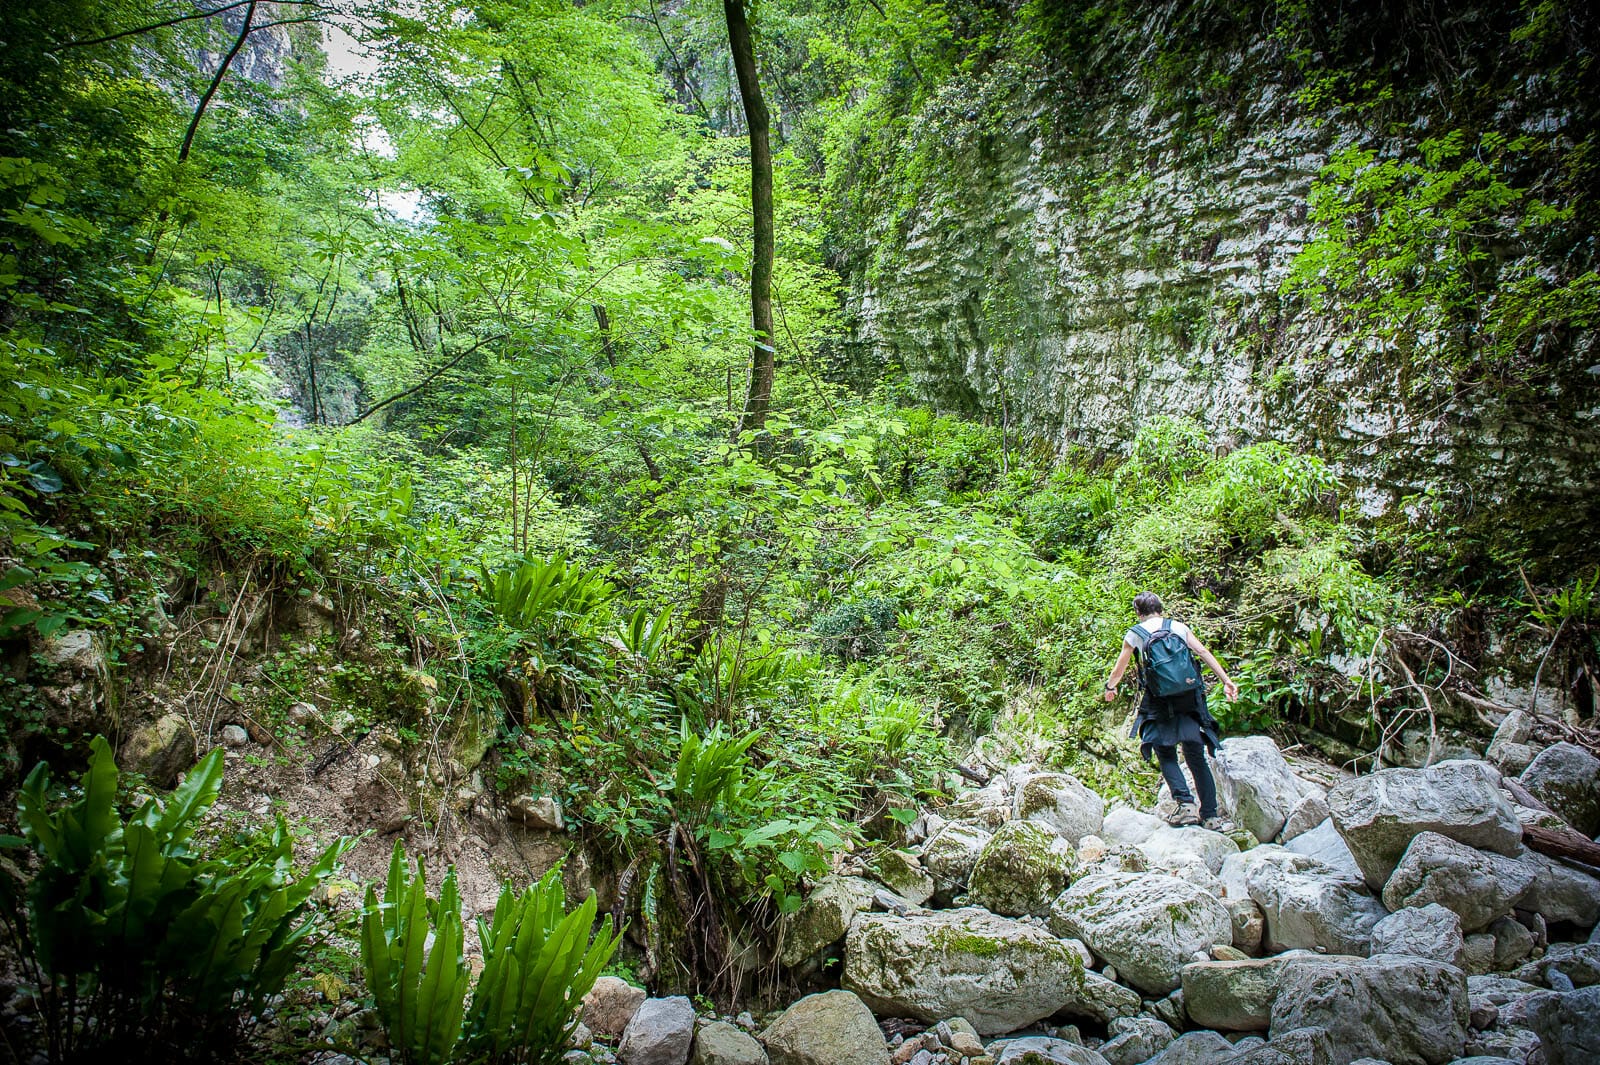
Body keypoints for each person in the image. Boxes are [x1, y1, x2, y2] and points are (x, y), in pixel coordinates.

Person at [1102, 591, 1237, 829]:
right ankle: (1211, 815)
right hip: (1189, 697)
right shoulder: (1178, 627)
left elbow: (1119, 668)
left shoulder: (1136, 634)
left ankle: (1185, 804)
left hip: (1160, 699)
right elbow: (1203, 653)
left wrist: (1110, 687)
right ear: (1161, 609)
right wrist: (1226, 680)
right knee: (1196, 754)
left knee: (1164, 751)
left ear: (1138, 612)